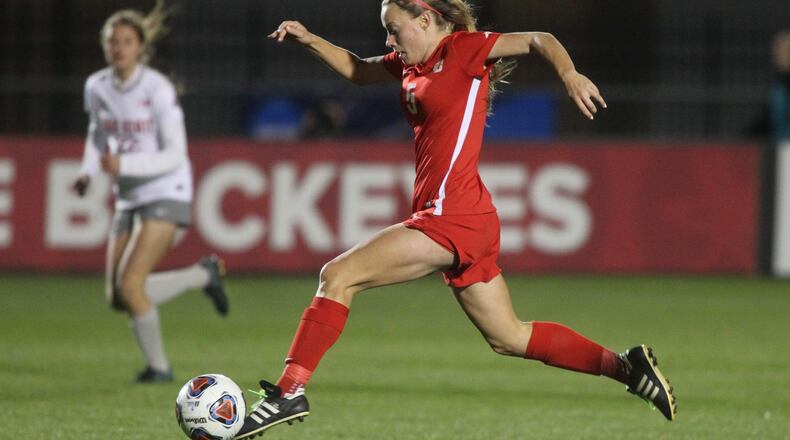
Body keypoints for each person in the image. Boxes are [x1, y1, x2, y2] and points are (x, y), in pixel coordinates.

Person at [237, 0, 676, 436]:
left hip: (452, 216)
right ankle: (626, 368)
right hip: (466, 215)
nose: (389, 41)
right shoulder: (411, 63)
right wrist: (309, 38)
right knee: (509, 337)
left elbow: (542, 39)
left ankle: (289, 391)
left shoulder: (464, 49)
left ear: (426, 20)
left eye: (394, 29)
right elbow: (357, 70)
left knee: (338, 275)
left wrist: (569, 74)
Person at [73, 0, 229, 383]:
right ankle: (201, 275)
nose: (118, 48)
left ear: (140, 47)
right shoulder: (96, 86)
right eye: (112, 41)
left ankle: (159, 369)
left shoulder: (156, 90)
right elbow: (98, 133)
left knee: (130, 286)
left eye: (126, 41)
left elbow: (175, 154)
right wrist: (87, 171)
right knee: (117, 296)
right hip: (129, 195)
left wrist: (124, 165)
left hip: (166, 190)